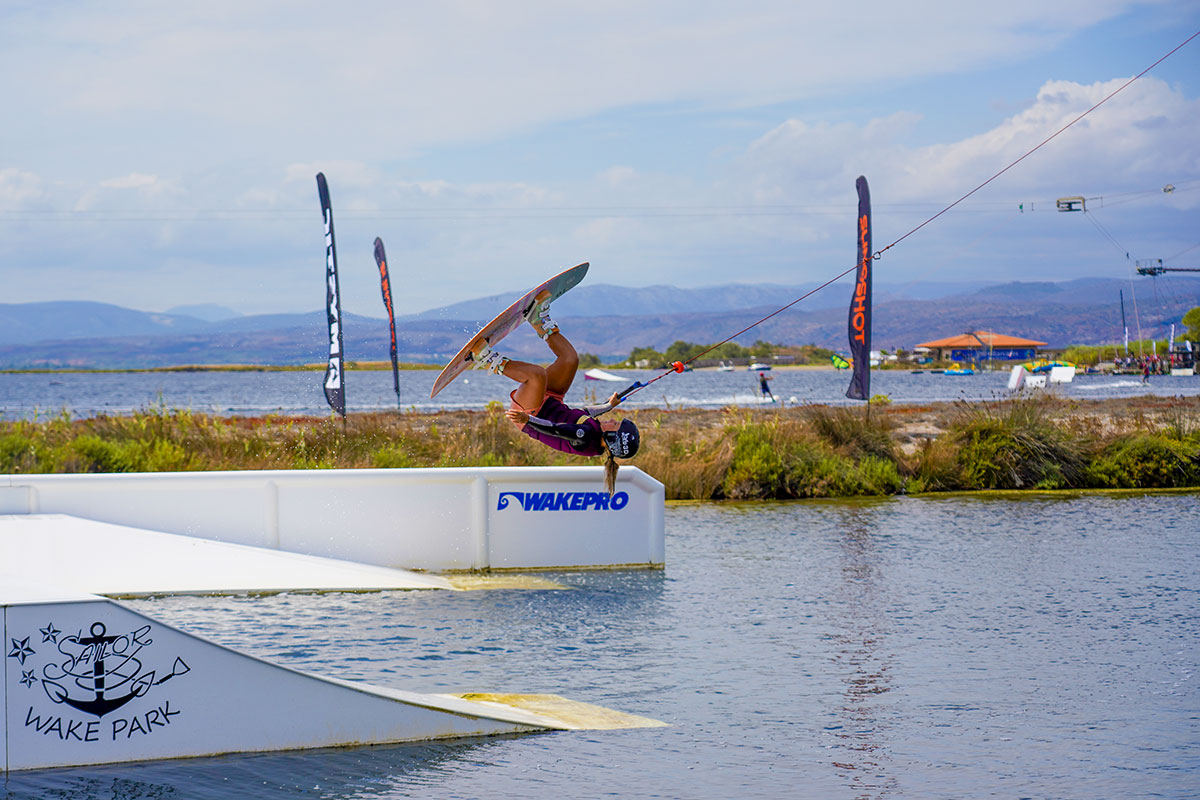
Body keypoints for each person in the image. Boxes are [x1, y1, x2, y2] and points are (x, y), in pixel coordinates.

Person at [469, 294, 640, 495]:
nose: (612, 419)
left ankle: (485, 358)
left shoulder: (585, 439)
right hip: (551, 400)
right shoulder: (594, 432)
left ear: (611, 437)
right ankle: (538, 320)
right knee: (570, 359)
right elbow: (585, 413)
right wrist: (609, 404)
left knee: (536, 375)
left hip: (532, 414)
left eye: (615, 424)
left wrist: (528, 419)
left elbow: (555, 430)